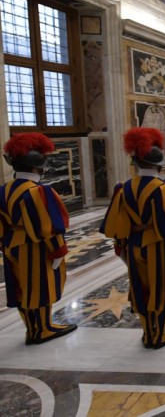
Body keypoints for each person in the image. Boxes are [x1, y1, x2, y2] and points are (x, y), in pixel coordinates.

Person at [101, 128, 165, 349]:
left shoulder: (123, 188)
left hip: (133, 245)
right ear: (159, 165)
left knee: (139, 289)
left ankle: (148, 332)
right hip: (158, 246)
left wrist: (121, 248)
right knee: (162, 289)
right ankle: (161, 334)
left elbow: (115, 224)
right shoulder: (164, 188)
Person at [0, 133, 76, 345]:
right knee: (41, 287)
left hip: (11, 245)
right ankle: (43, 329)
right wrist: (59, 251)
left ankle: (31, 329)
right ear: (38, 168)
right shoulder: (39, 192)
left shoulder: (3, 190)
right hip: (35, 247)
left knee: (20, 288)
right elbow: (49, 227)